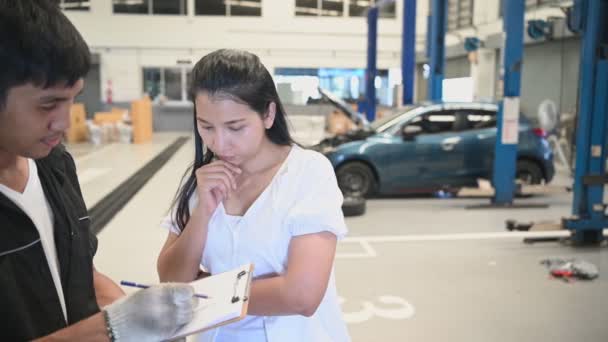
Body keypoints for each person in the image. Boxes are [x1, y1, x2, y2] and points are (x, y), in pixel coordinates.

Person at [0, 1, 196, 340]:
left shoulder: (55, 166)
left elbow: (82, 276)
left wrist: (136, 313)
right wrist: (111, 329)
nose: (64, 122)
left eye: (72, 99)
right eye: (48, 104)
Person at [157, 49, 351, 342]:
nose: (219, 142)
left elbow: (302, 295)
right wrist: (203, 213)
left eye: (235, 127)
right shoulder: (204, 179)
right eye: (206, 126)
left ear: (268, 114)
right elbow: (171, 280)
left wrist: (204, 290)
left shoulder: (308, 173)